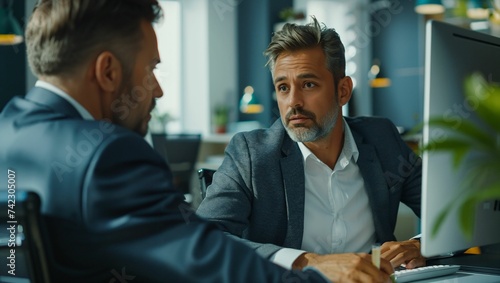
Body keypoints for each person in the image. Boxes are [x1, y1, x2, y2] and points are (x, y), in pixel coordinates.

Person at [0, 1, 396, 282]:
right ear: (107, 71)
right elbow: (209, 266)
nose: (157, 90)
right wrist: (321, 274)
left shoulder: (9, 128)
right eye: (151, 69)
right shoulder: (107, 156)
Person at [197, 17, 425, 273]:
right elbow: (205, 240)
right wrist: (310, 263)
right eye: (283, 87)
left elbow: (452, 212)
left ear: (343, 91)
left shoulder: (381, 138)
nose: (294, 101)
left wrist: (420, 245)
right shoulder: (251, 154)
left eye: (308, 84)